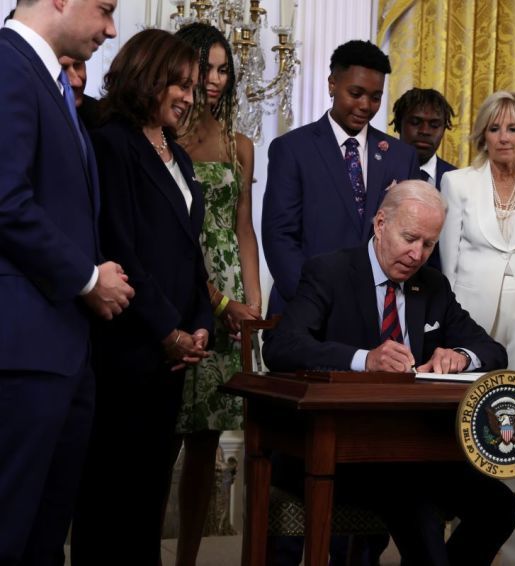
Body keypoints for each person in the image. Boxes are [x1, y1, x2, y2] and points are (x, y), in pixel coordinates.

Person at [263, 180, 515, 565]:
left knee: (500, 507)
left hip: (416, 450)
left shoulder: (432, 285)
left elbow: (493, 351)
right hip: (340, 449)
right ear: (380, 224)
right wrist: (364, 359)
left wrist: (460, 357)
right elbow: (281, 347)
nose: (417, 254)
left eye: (429, 244)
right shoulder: (329, 272)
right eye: (410, 238)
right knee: (416, 506)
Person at [70, 29, 213, 566]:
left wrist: (200, 324)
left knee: (147, 498)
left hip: (170, 358)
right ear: (147, 77)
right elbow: (118, 246)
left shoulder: (179, 155)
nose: (188, 96)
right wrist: (166, 331)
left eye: (193, 86)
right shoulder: (112, 141)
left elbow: (188, 252)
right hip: (126, 348)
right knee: (110, 500)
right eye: (178, 83)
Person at [0, 1, 133, 564]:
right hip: (22, 353)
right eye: (104, 8)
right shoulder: (7, 68)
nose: (110, 27)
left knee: (43, 538)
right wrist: (86, 278)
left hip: (63, 352)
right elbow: (5, 201)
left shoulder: (50, 82)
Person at [440, 90, 515, 565]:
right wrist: (447, 330)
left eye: (513, 128)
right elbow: (448, 262)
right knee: (472, 432)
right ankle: (469, 549)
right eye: (494, 128)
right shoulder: (458, 184)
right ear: (482, 134)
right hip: (473, 322)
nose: (504, 137)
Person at [172, 23, 261, 566]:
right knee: (165, 432)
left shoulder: (239, 145)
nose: (214, 79)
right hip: (183, 289)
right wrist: (219, 302)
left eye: (223, 69)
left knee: (207, 437)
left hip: (231, 295)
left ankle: (187, 556)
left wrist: (252, 301)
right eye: (205, 67)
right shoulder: (162, 138)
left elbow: (243, 227)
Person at [262, 39, 419, 314]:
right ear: (332, 84)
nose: (365, 105)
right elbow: (280, 236)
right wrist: (313, 302)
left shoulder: (400, 156)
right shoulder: (292, 149)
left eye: (375, 97)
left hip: (378, 313)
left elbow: (409, 235)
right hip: (306, 312)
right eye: (355, 93)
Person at [390, 86, 456, 188]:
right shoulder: (376, 170)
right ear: (398, 125)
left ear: (443, 130)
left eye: (434, 125)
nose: (424, 131)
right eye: (415, 122)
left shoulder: (456, 180)